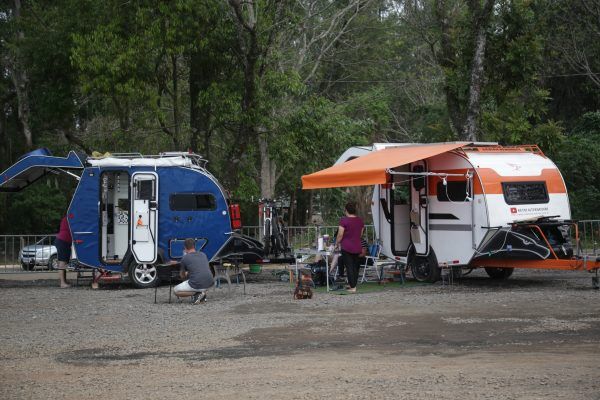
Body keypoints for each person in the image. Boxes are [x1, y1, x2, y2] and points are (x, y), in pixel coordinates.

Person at [173, 238, 215, 304]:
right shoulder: (203, 254)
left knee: (175, 291)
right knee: (196, 278)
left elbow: (182, 276)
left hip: (197, 283)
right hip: (210, 282)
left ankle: (198, 293)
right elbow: (201, 269)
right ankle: (202, 294)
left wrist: (185, 274)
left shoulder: (185, 258)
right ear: (194, 246)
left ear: (185, 247)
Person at [335, 202, 364, 293]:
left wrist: (336, 243)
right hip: (357, 246)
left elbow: (340, 234)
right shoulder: (360, 220)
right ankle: (353, 285)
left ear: (346, 210)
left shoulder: (344, 220)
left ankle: (353, 287)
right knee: (355, 267)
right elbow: (361, 234)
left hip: (346, 246)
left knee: (349, 267)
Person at [54, 215, 72, 288]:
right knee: (62, 261)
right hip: (63, 240)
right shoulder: (71, 216)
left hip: (63, 240)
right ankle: (62, 283)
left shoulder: (66, 217)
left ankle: (63, 281)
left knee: (64, 262)